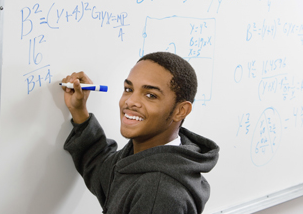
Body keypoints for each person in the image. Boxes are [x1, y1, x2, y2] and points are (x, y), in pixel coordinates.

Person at [61, 52, 219, 214]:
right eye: (128, 89)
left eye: (151, 95)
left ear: (180, 111)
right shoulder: (146, 158)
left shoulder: (157, 193)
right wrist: (79, 111)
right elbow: (102, 171)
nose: (130, 102)